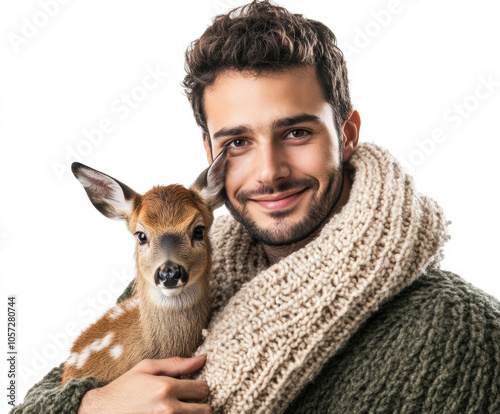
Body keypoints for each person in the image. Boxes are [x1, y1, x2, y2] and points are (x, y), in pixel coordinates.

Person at [11, 1, 500, 413]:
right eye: (239, 142)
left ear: (347, 135)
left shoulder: (460, 332)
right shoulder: (183, 269)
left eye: (296, 132)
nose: (269, 171)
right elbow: (41, 396)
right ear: (213, 160)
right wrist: (93, 406)